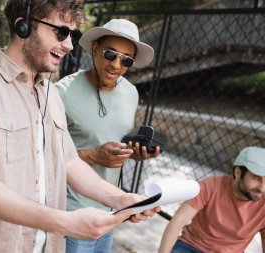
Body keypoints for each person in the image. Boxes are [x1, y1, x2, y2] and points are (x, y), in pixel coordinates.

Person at [0, 1, 160, 252]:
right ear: (23, 25)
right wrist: (65, 222)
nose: (69, 45)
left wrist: (123, 199)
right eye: (60, 32)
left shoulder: (50, 92)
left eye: (72, 35)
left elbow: (68, 162)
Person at [56, 18, 161, 253]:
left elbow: (115, 142)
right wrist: (93, 156)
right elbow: (44, 154)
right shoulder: (62, 93)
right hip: (73, 211)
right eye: (111, 54)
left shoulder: (130, 92)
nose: (117, 65)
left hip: (111, 210)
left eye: (126, 60)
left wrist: (134, 154)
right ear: (95, 49)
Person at [158, 146, 265, 253]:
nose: (262, 188)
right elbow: (177, 222)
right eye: (257, 178)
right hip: (190, 247)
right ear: (238, 172)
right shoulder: (210, 186)